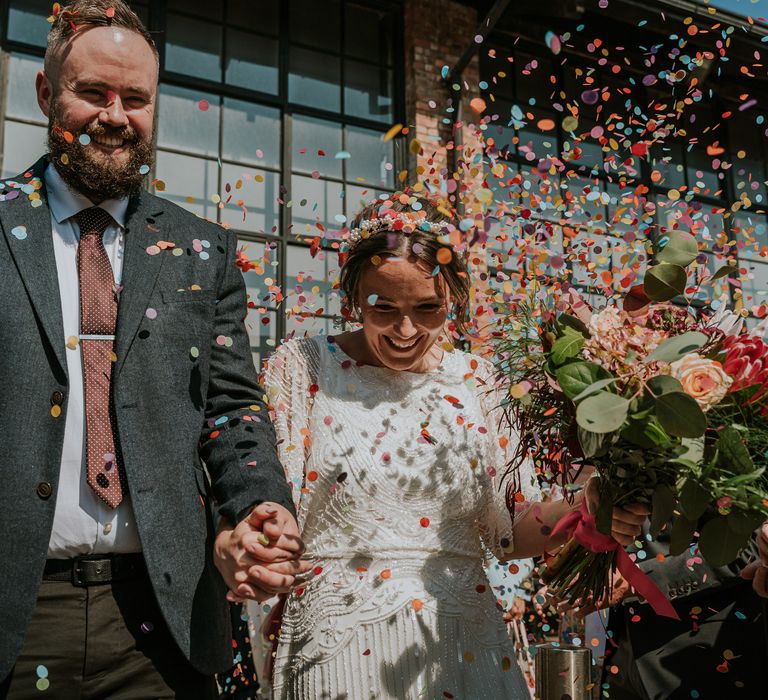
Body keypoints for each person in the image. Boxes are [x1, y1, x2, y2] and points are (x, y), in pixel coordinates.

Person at [0, 2, 309, 698]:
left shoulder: (204, 250)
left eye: (135, 98)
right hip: (18, 615)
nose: (116, 115)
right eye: (93, 93)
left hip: (163, 621)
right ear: (48, 94)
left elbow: (230, 409)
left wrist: (258, 504)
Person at [260, 192, 647, 699]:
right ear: (353, 297)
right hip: (340, 646)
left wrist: (586, 504)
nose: (405, 330)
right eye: (383, 308)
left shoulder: (478, 381)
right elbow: (270, 509)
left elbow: (514, 531)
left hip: (464, 640)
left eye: (427, 309)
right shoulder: (302, 366)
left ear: (453, 301)